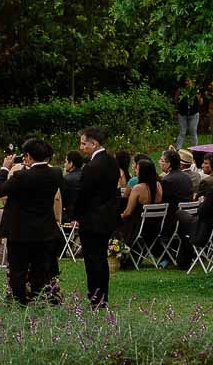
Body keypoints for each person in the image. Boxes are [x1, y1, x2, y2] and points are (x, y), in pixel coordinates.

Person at [0, 138, 62, 304]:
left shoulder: (21, 176)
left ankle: (19, 301)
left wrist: (4, 168)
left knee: (18, 270)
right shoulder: (56, 173)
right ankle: (39, 299)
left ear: (29, 156)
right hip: (44, 231)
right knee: (40, 270)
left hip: (21, 233)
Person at [74, 127, 119, 307]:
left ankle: (95, 297)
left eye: (84, 144)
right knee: (101, 258)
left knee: (93, 261)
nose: (81, 147)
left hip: (92, 219)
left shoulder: (92, 167)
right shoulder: (112, 161)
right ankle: (102, 296)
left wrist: (75, 215)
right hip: (107, 216)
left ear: (94, 144)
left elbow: (83, 195)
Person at [121, 158, 164, 246]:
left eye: (137, 168)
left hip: (137, 227)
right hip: (155, 227)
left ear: (142, 172)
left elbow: (128, 212)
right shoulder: (158, 185)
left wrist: (118, 216)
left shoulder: (138, 188)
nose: (135, 171)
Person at [174, 78, 202, 148]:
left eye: (189, 81)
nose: (187, 82)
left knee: (193, 130)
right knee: (182, 131)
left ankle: (194, 148)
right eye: (186, 81)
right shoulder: (180, 90)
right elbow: (176, 99)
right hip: (182, 114)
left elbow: (201, 102)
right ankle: (178, 148)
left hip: (194, 114)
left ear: (192, 82)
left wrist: (198, 96)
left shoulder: (196, 91)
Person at [61, 151, 85, 220]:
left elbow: (62, 199)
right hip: (84, 215)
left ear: (71, 163)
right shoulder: (86, 176)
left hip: (70, 217)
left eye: (65, 162)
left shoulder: (66, 179)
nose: (64, 165)